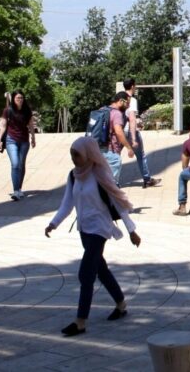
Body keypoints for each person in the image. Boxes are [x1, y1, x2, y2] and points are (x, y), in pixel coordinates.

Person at [44, 137, 141, 337]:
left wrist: (132, 230)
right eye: (72, 154)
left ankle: (80, 321)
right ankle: (121, 304)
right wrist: (53, 223)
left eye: (77, 154)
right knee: (101, 270)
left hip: (100, 229)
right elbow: (67, 204)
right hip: (84, 229)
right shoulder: (74, 176)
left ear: (88, 153)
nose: (74, 159)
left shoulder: (101, 175)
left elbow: (118, 203)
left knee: (85, 274)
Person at [0, 91, 37, 201]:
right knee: (15, 164)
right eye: (18, 98)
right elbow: (3, 126)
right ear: (13, 99)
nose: (20, 100)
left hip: (24, 140)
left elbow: (31, 125)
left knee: (21, 164)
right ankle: (15, 191)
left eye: (22, 98)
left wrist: (33, 138)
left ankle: (19, 189)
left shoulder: (27, 111)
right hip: (11, 140)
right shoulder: (8, 110)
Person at [123, 79, 161, 188]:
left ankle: (112, 181)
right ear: (132, 86)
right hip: (130, 131)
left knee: (115, 156)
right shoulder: (132, 100)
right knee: (140, 155)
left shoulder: (119, 98)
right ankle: (147, 179)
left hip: (120, 131)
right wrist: (134, 138)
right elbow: (132, 118)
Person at [103, 92, 136, 185]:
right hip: (111, 150)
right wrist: (129, 148)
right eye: (127, 103)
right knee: (112, 184)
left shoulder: (102, 109)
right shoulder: (116, 113)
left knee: (101, 178)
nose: (128, 106)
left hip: (97, 149)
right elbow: (119, 132)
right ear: (121, 101)